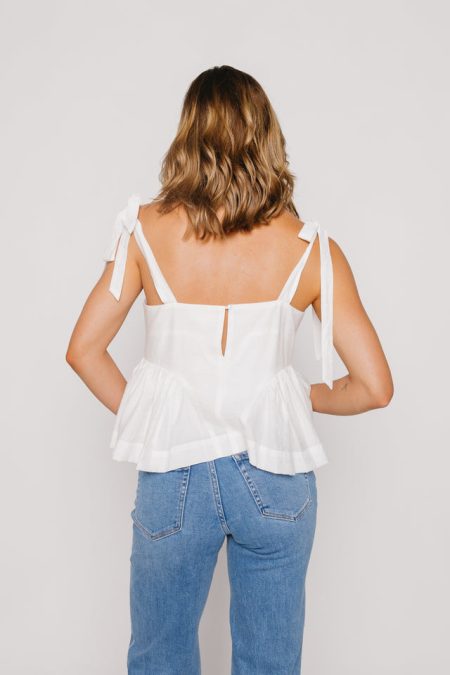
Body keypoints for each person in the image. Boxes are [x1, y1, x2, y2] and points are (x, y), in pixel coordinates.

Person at [66, 65, 394, 675]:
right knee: (271, 665)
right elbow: (375, 387)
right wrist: (302, 397)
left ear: (187, 135)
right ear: (268, 135)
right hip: (275, 477)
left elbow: (83, 350)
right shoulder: (312, 249)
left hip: (174, 474)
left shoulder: (144, 231)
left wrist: (152, 417)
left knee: (159, 659)